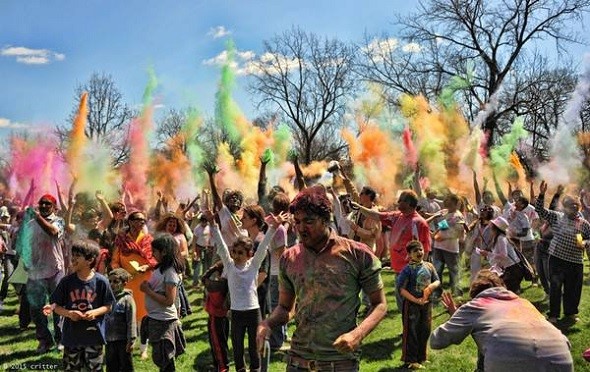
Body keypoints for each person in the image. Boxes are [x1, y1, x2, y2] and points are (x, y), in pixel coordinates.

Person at [256, 185, 387, 372]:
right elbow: (285, 308)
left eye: (308, 221)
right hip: (298, 362)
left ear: (326, 220)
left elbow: (379, 304)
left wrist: (357, 335)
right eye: (297, 222)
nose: (301, 228)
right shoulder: (289, 258)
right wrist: (267, 323)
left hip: (339, 363)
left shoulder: (357, 254)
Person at [431, 269, 573, 371]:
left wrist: (456, 316)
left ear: (474, 292)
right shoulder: (524, 303)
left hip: (509, 359)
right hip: (560, 355)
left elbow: (436, 341)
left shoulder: (477, 304)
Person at [206, 209, 280, 372]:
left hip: (253, 313)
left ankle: (256, 368)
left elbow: (264, 246)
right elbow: (221, 245)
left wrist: (274, 227)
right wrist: (213, 224)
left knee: (254, 349)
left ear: (249, 254)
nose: (236, 255)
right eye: (235, 252)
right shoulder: (230, 266)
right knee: (237, 349)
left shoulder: (254, 265)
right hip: (237, 313)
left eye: (241, 253)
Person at [351, 189, 430, 311]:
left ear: (408, 203)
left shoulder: (419, 223)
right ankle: (408, 329)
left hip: (411, 271)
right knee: (403, 305)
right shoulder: (397, 216)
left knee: (412, 305)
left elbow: (425, 249)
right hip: (399, 271)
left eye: (401, 200)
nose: (397, 202)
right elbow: (377, 215)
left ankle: (414, 329)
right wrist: (358, 207)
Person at [50, 240, 116, 371]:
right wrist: (69, 314)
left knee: (94, 369)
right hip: (72, 337)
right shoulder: (67, 282)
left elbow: (109, 306)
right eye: (72, 254)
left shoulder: (101, 282)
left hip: (94, 337)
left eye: (77, 256)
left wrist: (94, 312)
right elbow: (54, 306)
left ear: (90, 260)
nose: (73, 258)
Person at [535, 181, 590, 324]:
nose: (573, 208)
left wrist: (585, 243)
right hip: (557, 259)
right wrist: (541, 194)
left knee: (573, 289)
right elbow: (540, 211)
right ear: (564, 207)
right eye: (570, 205)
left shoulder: (584, 224)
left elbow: (589, 238)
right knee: (556, 287)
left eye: (575, 205)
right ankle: (554, 314)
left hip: (575, 262)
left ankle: (571, 313)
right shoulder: (557, 217)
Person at [25, 194, 67, 354]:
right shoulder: (30, 224)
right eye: (41, 203)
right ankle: (44, 341)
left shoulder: (58, 221)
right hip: (35, 271)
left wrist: (37, 217)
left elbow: (52, 233)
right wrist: (26, 262)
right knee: (36, 308)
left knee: (57, 306)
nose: (43, 206)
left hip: (55, 269)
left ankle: (61, 339)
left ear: (54, 207)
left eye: (47, 204)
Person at [111, 210, 156, 358]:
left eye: (143, 220)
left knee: (143, 317)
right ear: (130, 222)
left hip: (144, 282)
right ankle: (128, 344)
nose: (141, 223)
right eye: (138, 220)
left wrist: (147, 267)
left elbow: (155, 260)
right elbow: (114, 260)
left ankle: (144, 348)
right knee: (128, 315)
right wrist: (120, 274)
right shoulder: (121, 239)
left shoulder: (148, 239)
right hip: (126, 283)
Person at [139, 234, 186, 372]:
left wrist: (148, 291)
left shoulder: (170, 272)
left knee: (165, 359)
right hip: (156, 318)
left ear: (164, 251)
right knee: (161, 359)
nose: (152, 254)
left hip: (164, 321)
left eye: (154, 251)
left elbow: (169, 300)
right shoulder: (160, 269)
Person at [397, 240, 440, 370]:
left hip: (426, 304)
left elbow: (437, 280)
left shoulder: (429, 266)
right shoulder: (407, 270)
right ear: (409, 254)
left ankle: (422, 357)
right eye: (415, 251)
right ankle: (411, 360)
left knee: (425, 330)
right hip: (412, 306)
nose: (419, 252)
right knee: (412, 332)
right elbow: (401, 289)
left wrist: (431, 287)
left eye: (421, 249)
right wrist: (416, 300)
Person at [431, 193, 465, 297]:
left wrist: (443, 237)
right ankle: (437, 292)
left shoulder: (458, 216)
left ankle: (456, 291)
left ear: (456, 204)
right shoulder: (446, 213)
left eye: (450, 203)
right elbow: (442, 227)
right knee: (437, 270)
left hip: (451, 249)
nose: (447, 205)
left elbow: (459, 231)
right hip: (438, 247)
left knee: (453, 270)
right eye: (447, 203)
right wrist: (435, 234)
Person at [105, 268, 137, 372]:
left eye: (115, 281)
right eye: (110, 281)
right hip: (109, 340)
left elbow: (131, 321)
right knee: (111, 366)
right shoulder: (107, 298)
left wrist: (131, 340)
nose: (112, 284)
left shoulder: (127, 299)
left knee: (125, 366)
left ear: (124, 283)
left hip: (123, 341)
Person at [201, 260, 230, 372]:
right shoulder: (227, 284)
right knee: (222, 341)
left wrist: (214, 267)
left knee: (217, 343)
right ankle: (222, 364)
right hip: (224, 316)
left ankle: (222, 367)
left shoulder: (218, 285)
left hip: (215, 317)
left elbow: (204, 278)